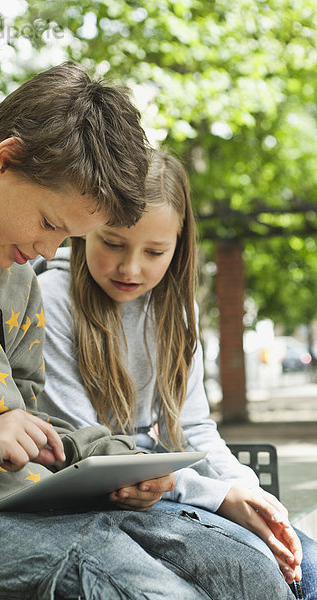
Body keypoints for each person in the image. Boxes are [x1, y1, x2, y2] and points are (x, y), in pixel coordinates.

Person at [0, 62, 294, 599]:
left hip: (31, 505)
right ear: (6, 157)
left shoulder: (18, 276)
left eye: (69, 236)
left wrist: (118, 461)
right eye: (50, 223)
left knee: (251, 575)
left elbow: (34, 426)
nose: (50, 253)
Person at [38, 149, 317, 599]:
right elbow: (88, 450)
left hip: (168, 484)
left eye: (154, 251)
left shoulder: (177, 310)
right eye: (112, 243)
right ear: (85, 230)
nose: (131, 268)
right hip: (98, 497)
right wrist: (218, 497)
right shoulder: (51, 299)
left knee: (309, 569)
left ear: (179, 245)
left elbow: (193, 428)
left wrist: (249, 494)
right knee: (256, 576)